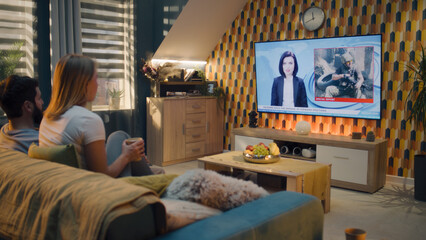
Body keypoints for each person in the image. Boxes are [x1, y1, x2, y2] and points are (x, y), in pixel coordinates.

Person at [39, 54, 153, 178]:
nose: (98, 84)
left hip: (63, 183)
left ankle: (152, 175)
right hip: (94, 189)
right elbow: (103, 177)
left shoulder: (47, 118)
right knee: (124, 140)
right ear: (84, 83)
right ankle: (156, 182)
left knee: (118, 136)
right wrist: (127, 156)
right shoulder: (87, 120)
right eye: (96, 78)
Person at [0, 75, 43, 153]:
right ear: (28, 106)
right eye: (39, 98)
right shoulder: (40, 143)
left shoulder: (4, 132)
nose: (42, 102)